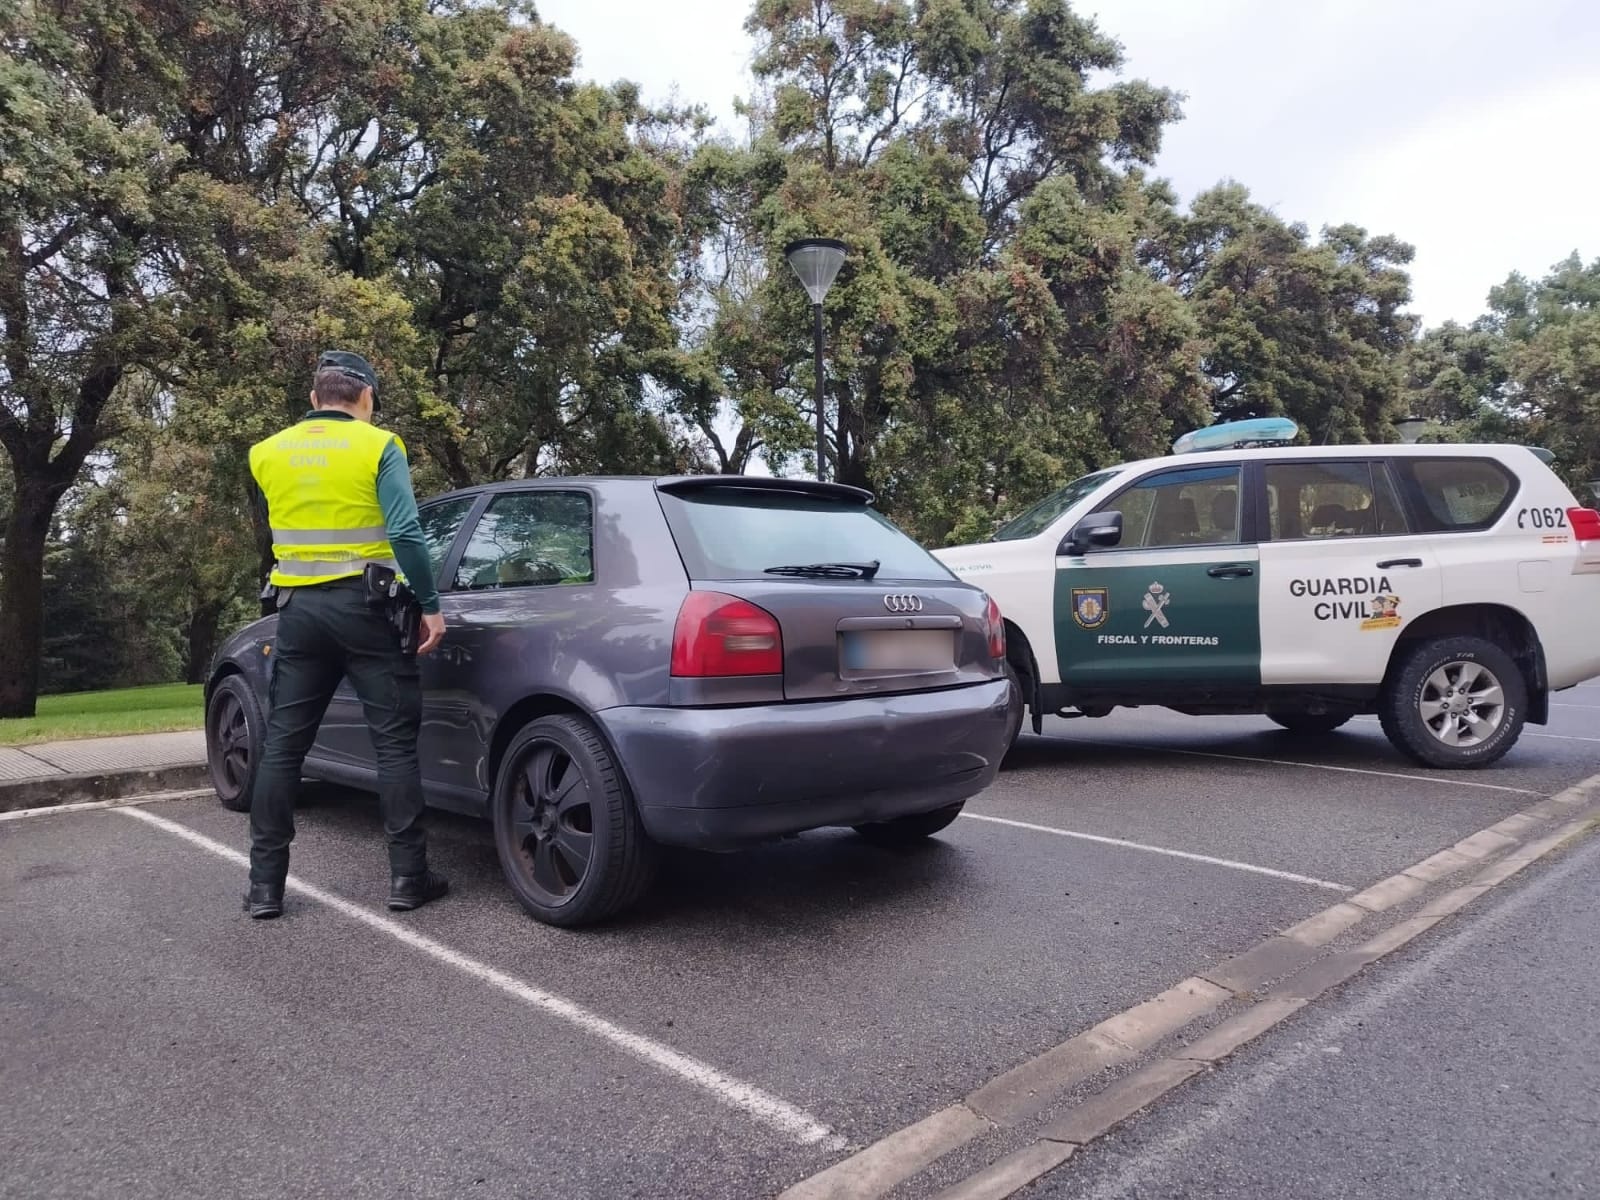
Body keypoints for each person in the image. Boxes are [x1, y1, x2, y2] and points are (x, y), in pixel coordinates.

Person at [242, 350, 448, 920]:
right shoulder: (379, 444)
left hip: (299, 611)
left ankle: (265, 888)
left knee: (284, 745)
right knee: (394, 745)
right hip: (368, 608)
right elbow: (404, 530)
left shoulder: (265, 453)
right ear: (365, 399)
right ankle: (408, 878)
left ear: (314, 398)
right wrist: (430, 605)